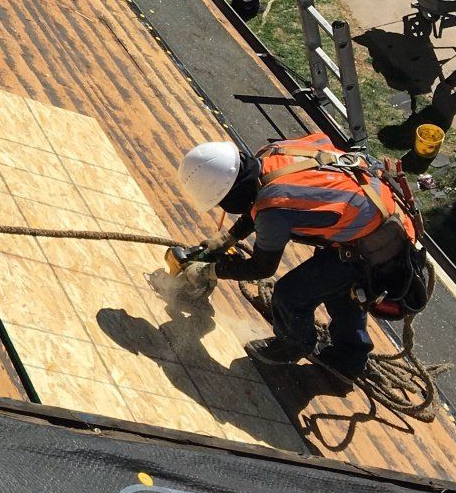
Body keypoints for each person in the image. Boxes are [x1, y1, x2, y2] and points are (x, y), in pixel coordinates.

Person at [167, 133, 425, 377]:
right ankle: (350, 357)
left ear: (232, 193)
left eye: (224, 201)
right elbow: (261, 195)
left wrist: (209, 270)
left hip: (378, 245)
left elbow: (262, 267)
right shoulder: (273, 153)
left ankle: (295, 345)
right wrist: (229, 238)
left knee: (291, 294)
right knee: (339, 286)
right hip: (380, 210)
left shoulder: (274, 211)